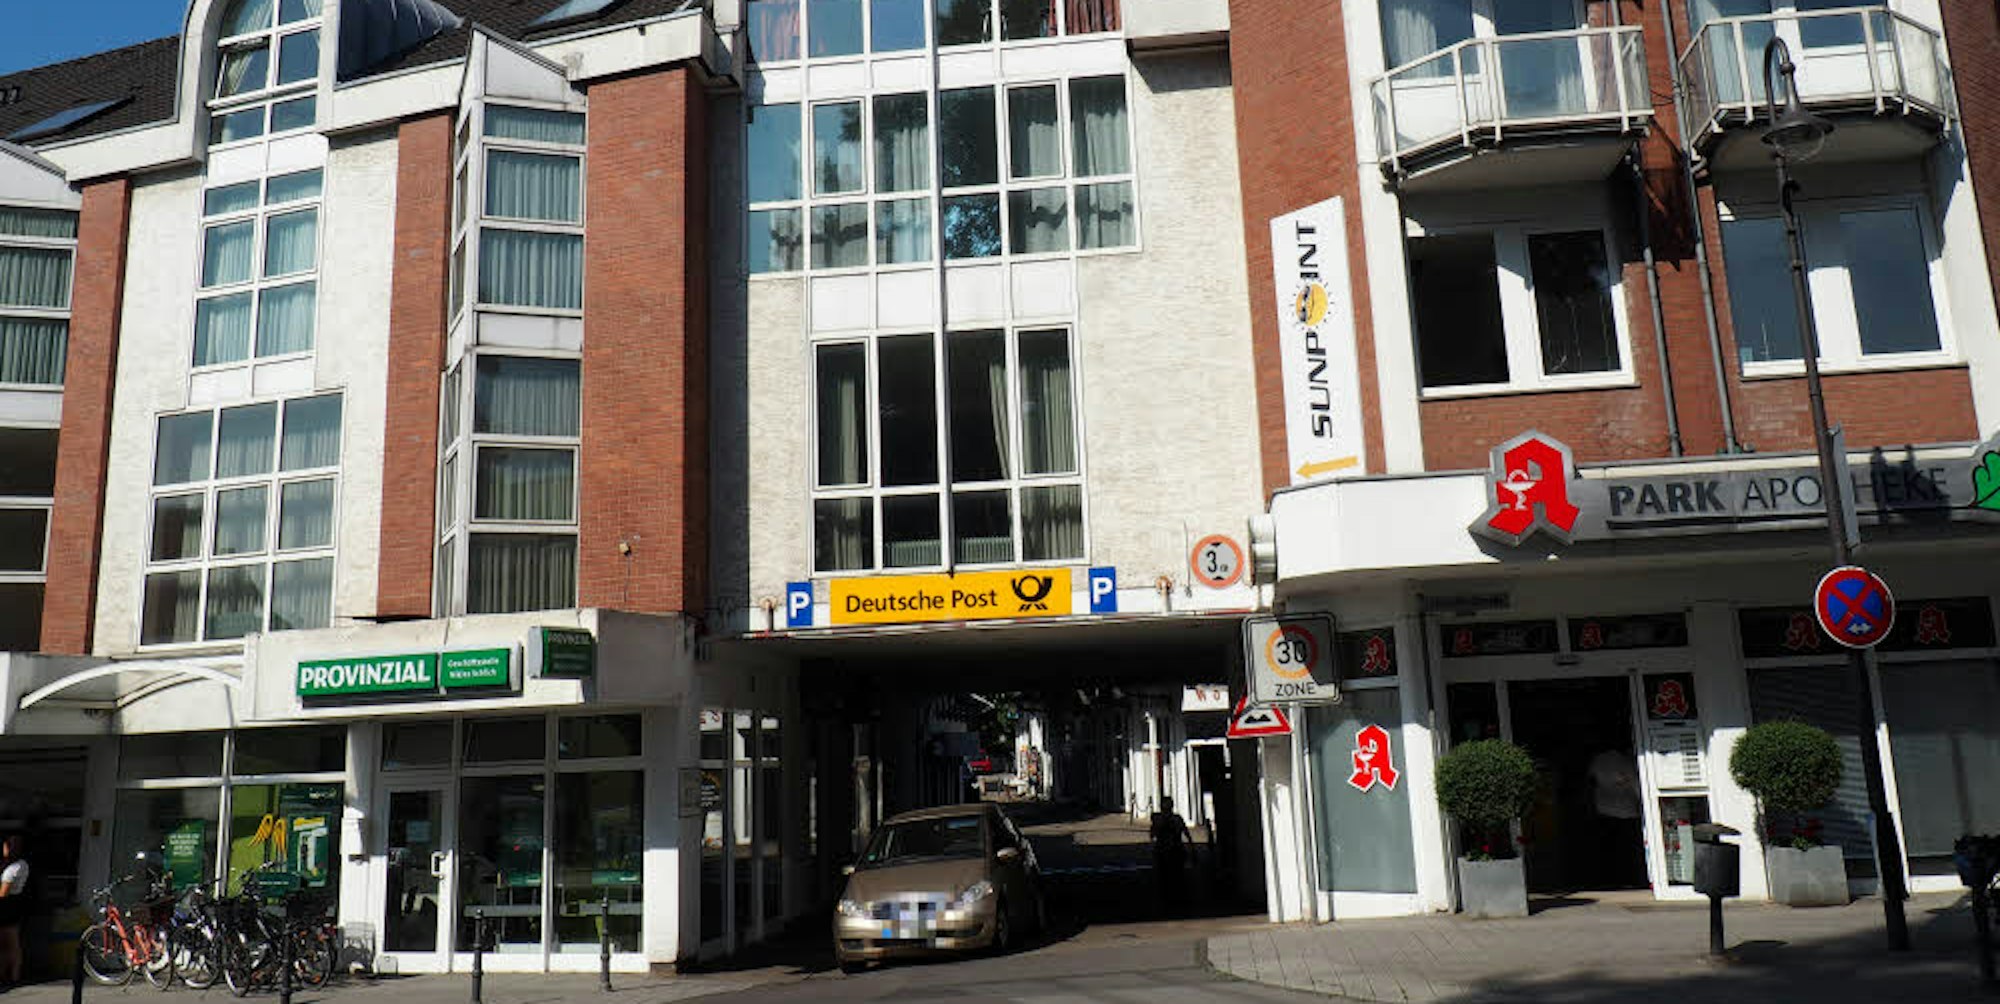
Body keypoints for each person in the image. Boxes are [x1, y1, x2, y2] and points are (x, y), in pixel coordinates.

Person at [1150, 798, 1191, 911]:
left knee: (1172, 877)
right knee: (1171, 877)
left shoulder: (1163, 819)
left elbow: (1152, 835)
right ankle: (1172, 899)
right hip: (1169, 851)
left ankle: (1171, 899)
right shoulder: (1175, 819)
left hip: (1171, 851)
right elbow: (1186, 833)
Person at [0, 836, 26, 987]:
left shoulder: (15, 867)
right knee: (7, 942)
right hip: (12, 905)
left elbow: (3, 892)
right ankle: (7, 973)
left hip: (8, 905)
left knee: (10, 941)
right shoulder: (18, 865)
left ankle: (14, 975)